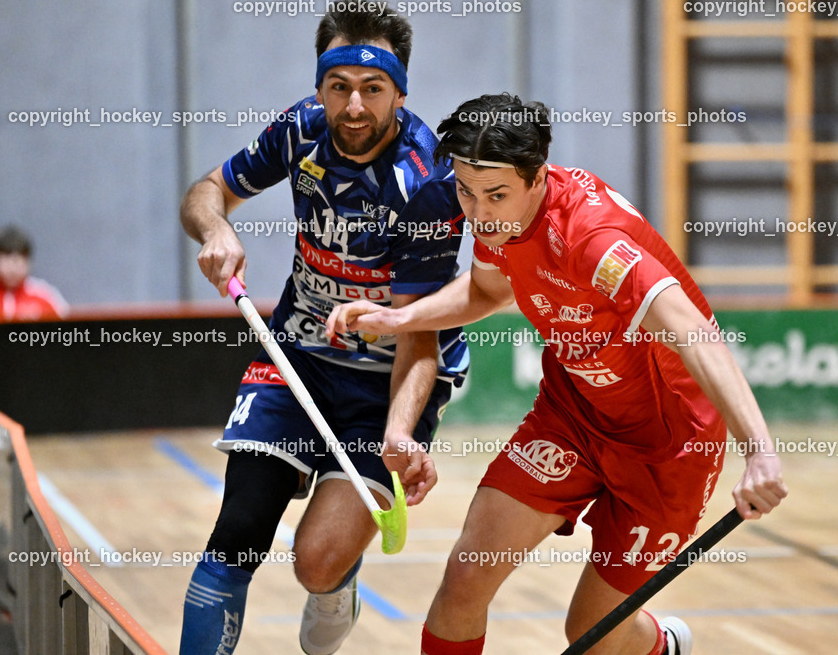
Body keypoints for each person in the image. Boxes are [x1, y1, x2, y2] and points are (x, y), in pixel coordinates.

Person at [326, 93, 789, 655]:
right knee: (466, 578)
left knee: (591, 635)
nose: (478, 213)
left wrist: (759, 451)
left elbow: (695, 333)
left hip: (670, 446)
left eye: (495, 196)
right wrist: (402, 316)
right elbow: (487, 289)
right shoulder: (501, 220)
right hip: (573, 415)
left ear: (538, 176)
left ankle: (661, 646)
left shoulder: (593, 241)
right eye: (466, 192)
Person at [177, 0, 468, 655]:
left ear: (399, 92)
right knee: (238, 531)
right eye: (339, 88)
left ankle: (339, 577)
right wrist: (217, 225)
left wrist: (399, 432)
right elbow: (207, 189)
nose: (355, 107)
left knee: (316, 560)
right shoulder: (300, 130)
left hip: (387, 380)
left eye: (373, 88)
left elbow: (421, 332)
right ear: (320, 87)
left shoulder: (427, 181)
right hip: (296, 354)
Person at [0, 225, 67, 321]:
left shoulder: (44, 295)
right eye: (5, 261)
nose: (12, 269)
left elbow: (66, 328)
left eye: (19, 261)